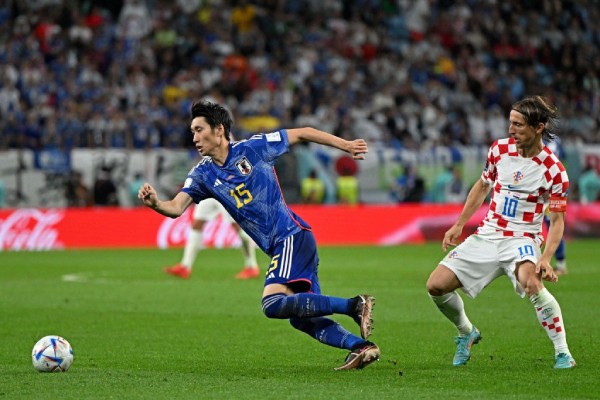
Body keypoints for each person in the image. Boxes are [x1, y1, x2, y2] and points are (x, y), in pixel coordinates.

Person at [139, 100, 379, 370]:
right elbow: (175, 208)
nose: (194, 138)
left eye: (198, 130)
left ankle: (354, 306)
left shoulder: (254, 148)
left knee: (272, 303)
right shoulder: (203, 173)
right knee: (301, 318)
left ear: (218, 130)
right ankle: (362, 347)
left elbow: (303, 132)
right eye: (192, 131)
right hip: (284, 245)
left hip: (291, 236)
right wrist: (156, 203)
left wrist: (346, 145)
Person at [426, 96, 576, 369]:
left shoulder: (554, 171)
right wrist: (459, 224)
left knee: (532, 282)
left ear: (538, 127)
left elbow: (557, 221)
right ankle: (466, 332)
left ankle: (563, 352)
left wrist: (546, 257)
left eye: (518, 124)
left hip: (522, 238)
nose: (511, 130)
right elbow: (483, 186)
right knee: (435, 286)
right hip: (488, 234)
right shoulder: (499, 150)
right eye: (510, 123)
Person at [163, 198, 260, 280]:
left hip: (224, 191)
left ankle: (251, 266)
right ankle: (185, 266)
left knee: (238, 226)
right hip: (208, 190)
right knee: (197, 223)